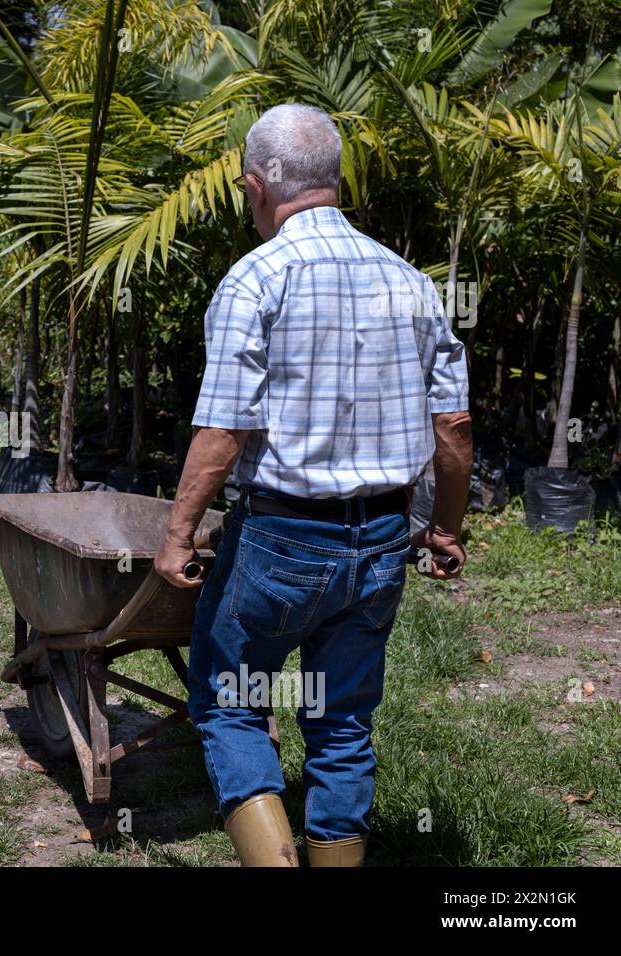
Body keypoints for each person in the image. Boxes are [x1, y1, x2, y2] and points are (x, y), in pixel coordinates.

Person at [155, 103, 473, 867]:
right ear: (333, 180)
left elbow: (223, 433)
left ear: (256, 187)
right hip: (380, 543)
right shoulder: (411, 282)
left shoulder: (255, 279)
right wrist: (445, 528)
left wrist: (174, 538)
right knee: (342, 719)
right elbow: (455, 427)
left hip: (280, 539)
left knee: (232, 703)